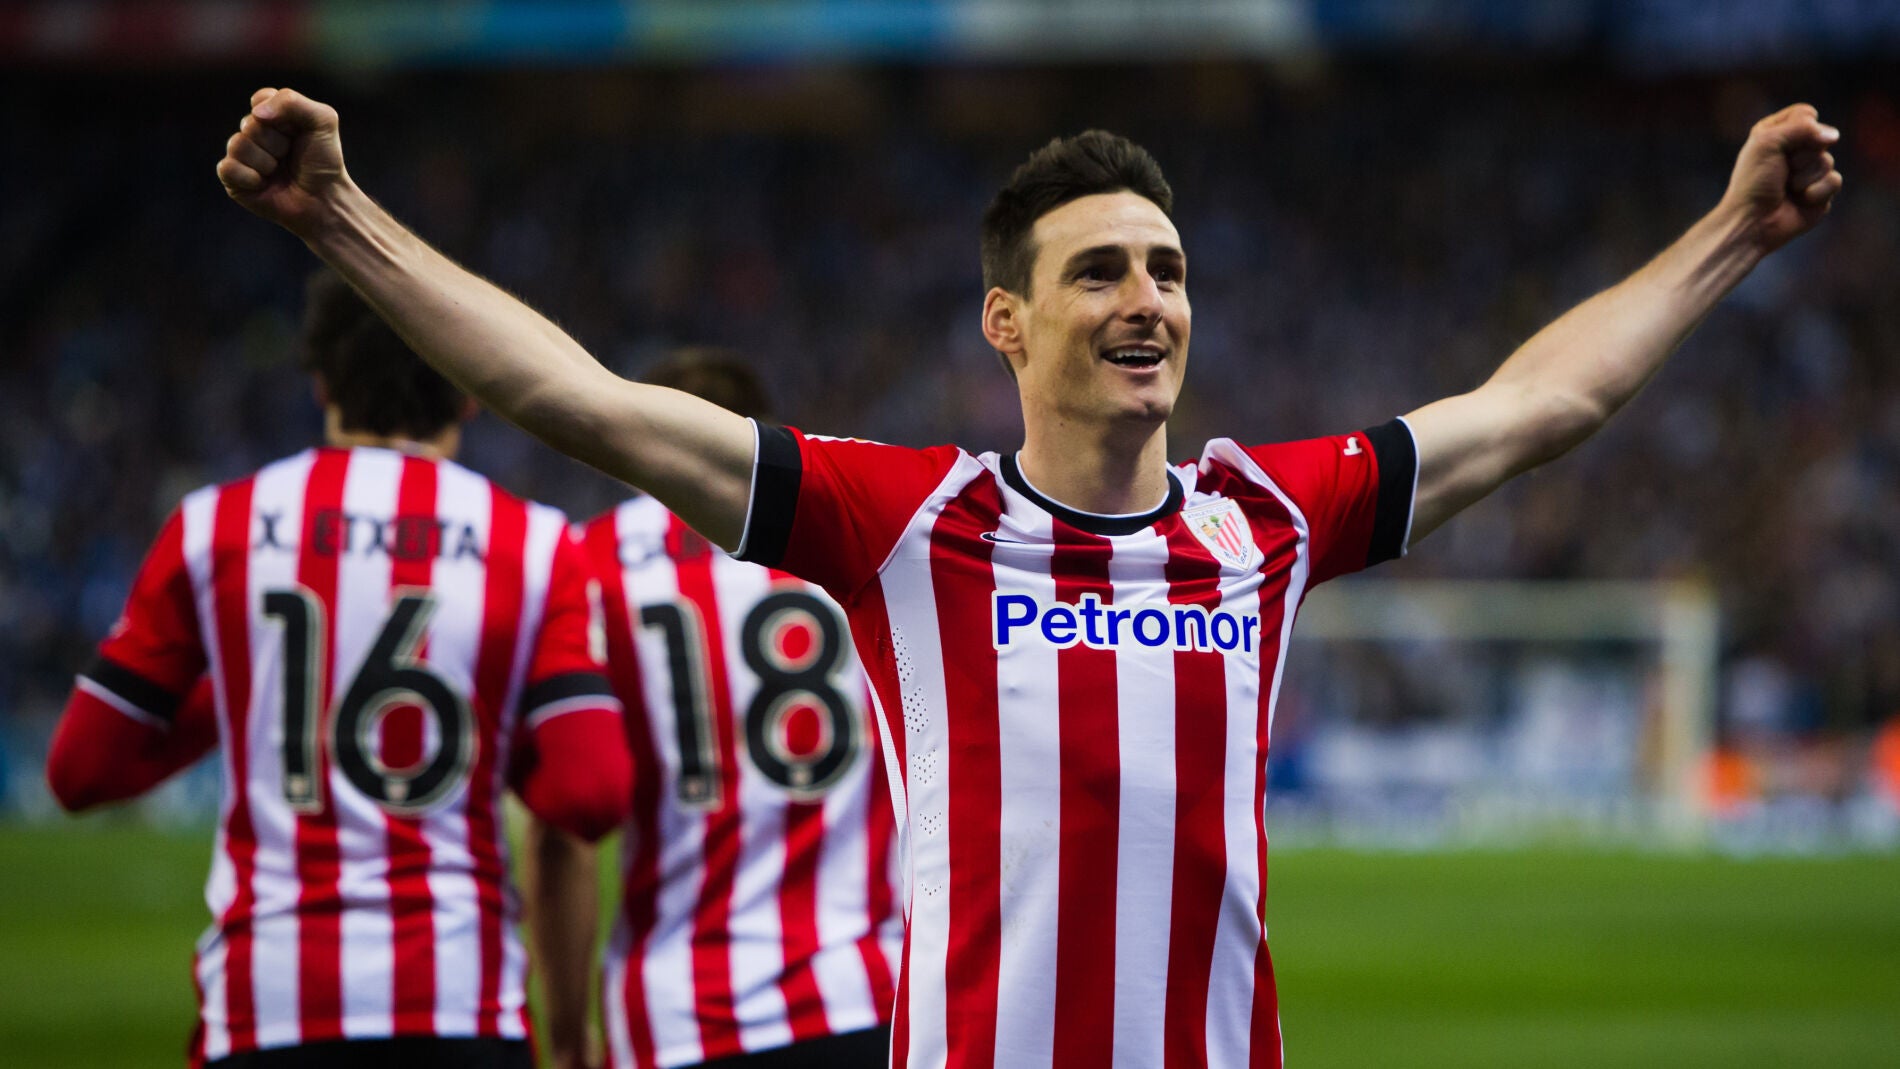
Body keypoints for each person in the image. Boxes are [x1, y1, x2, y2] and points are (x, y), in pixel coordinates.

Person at [217, 89, 1842, 1066]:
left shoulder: (1265, 516)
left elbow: (1542, 402)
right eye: (1099, 271)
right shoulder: (900, 523)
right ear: (1007, 320)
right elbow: (578, 396)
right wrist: (341, 215)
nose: (1148, 298)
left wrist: (1731, 231)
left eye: (1169, 268)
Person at [46, 269, 634, 1068]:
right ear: (468, 386)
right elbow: (592, 794)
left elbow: (83, 769)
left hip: (268, 1008)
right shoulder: (535, 544)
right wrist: (479, 725)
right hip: (456, 1004)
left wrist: (262, 692)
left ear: (320, 379)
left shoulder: (213, 526)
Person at [532, 349, 902, 1069]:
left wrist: (570, 1030)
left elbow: (570, 824)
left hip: (679, 1015)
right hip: (867, 993)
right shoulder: (851, 539)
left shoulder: (589, 560)